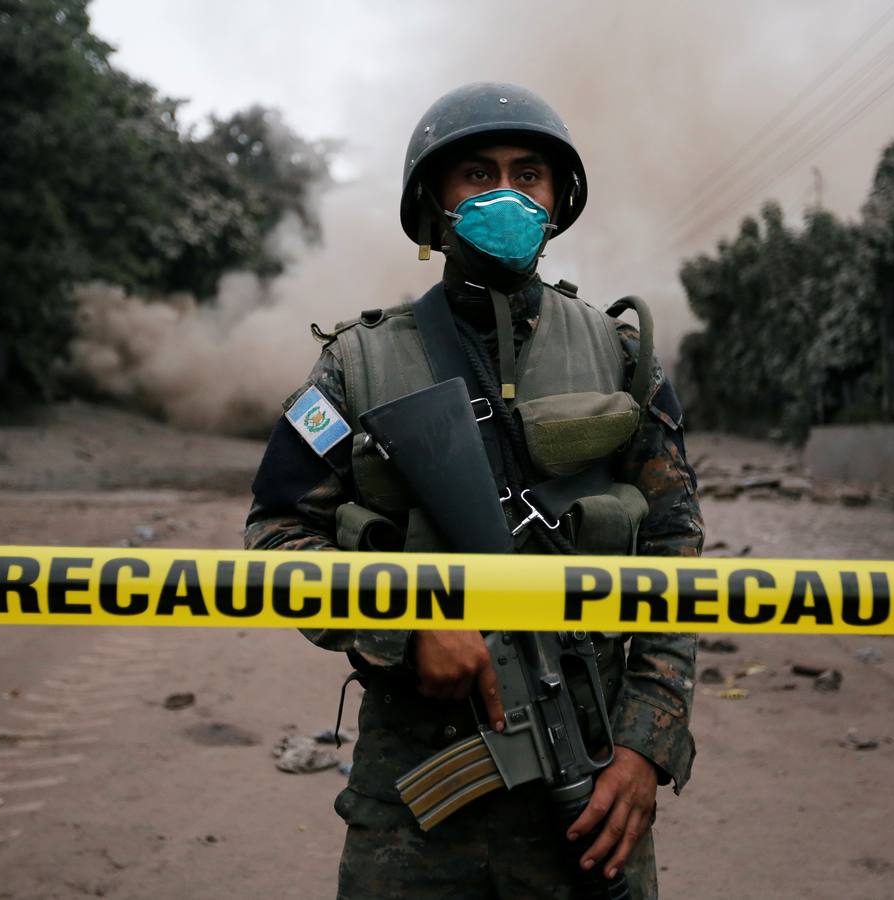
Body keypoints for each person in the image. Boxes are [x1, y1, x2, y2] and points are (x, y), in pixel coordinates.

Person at [244, 81, 703, 899]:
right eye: (476, 175)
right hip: (415, 793)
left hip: (591, 773)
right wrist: (404, 625)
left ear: (558, 198)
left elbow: (676, 555)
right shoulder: (354, 364)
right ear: (434, 200)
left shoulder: (623, 359)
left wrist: (645, 745)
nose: (506, 194)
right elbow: (278, 533)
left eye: (528, 174)